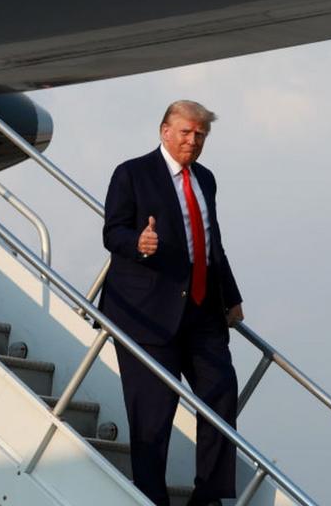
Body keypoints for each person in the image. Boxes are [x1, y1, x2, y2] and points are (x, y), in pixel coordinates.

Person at [100, 100, 244, 506]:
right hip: (145, 312)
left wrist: (231, 297)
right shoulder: (132, 173)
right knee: (154, 413)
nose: (193, 141)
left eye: (200, 135)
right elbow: (113, 232)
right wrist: (138, 243)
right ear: (165, 131)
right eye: (185, 132)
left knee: (220, 392)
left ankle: (210, 496)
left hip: (201, 311)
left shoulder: (206, 180)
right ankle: (150, 498)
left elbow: (211, 244)